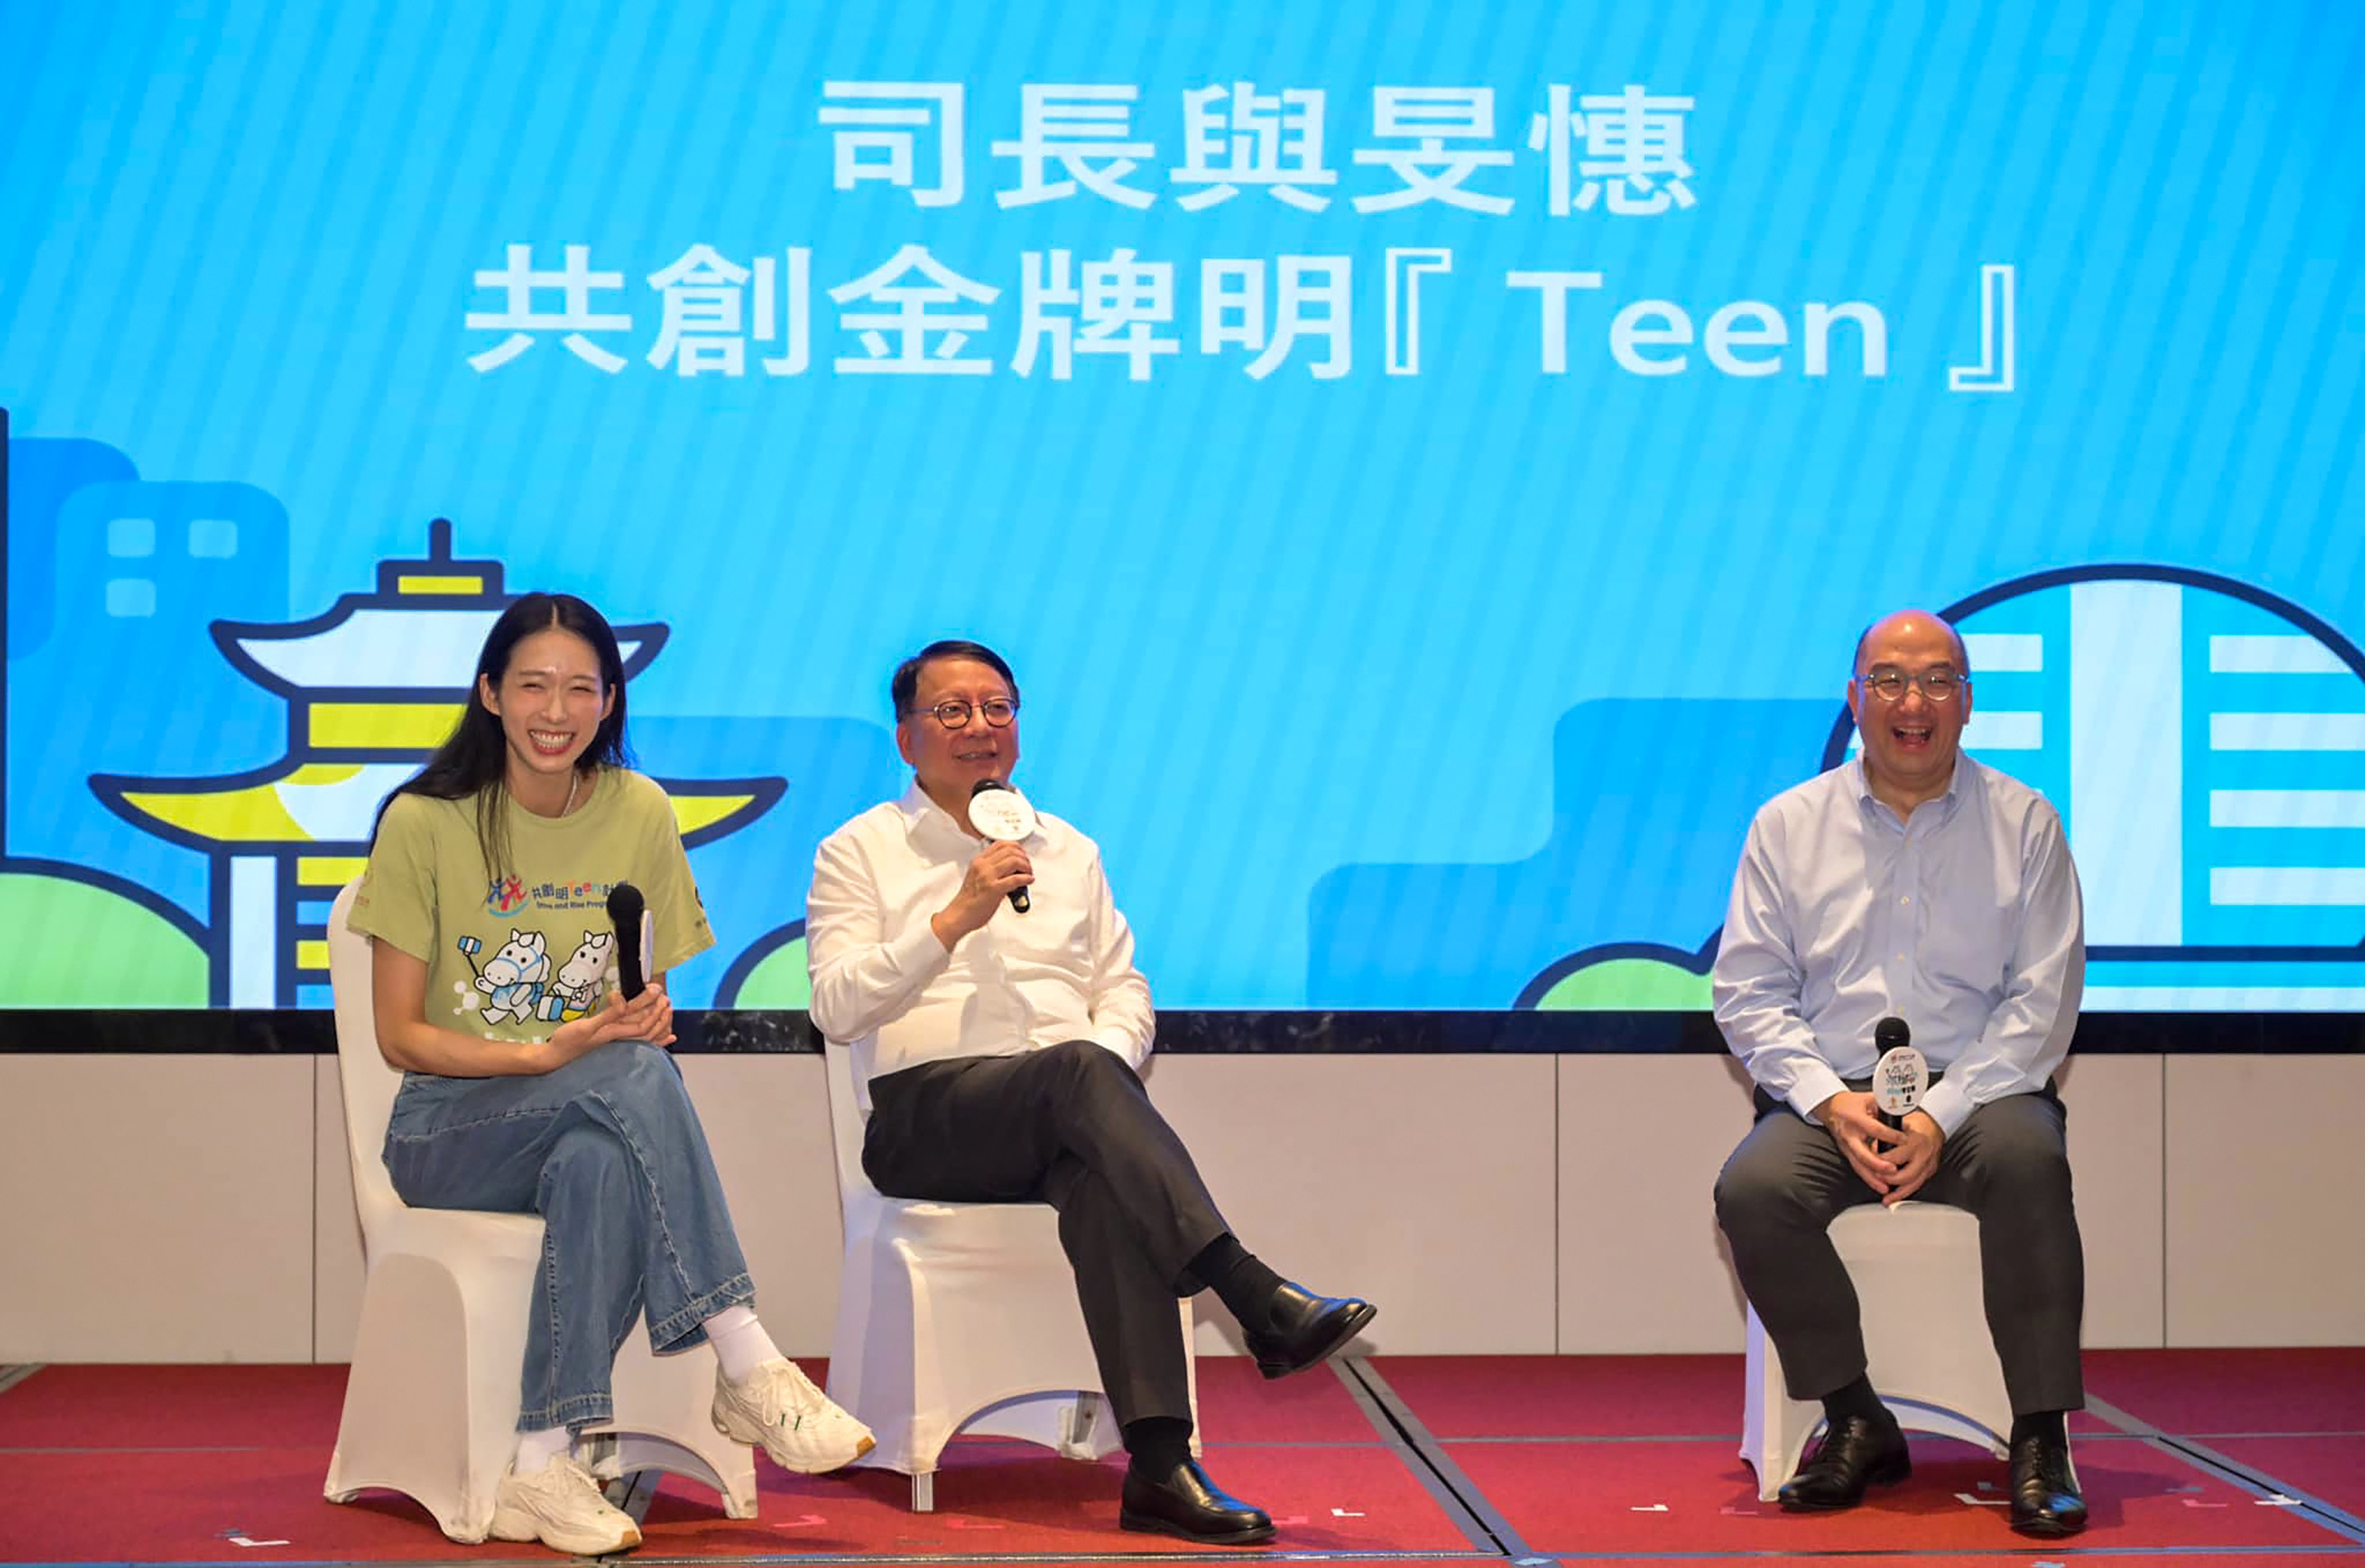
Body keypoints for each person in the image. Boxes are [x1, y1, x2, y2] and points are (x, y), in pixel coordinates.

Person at [805, 639, 1377, 1547]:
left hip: (1067, 1112)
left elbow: (1125, 990)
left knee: (1106, 1171)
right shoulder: (861, 849)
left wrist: (1105, 1061)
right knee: (1079, 1073)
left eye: (998, 708)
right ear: (907, 736)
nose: (980, 728)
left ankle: (1159, 1468)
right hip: (927, 1119)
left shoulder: (1067, 848)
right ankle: (1251, 1291)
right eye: (953, 711)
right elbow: (837, 1008)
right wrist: (955, 915)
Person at [349, 593, 872, 1555]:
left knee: (599, 1157)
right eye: (534, 686)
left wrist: (634, 1020)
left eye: (581, 688)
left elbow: (643, 991)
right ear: (490, 696)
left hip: (583, 1106)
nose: (558, 710)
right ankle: (745, 1354)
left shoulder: (639, 810)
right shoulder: (425, 821)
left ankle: (542, 1459)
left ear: (609, 702)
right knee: (623, 1080)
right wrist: (547, 1053)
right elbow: (400, 1036)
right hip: (446, 1129)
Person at [1711, 608, 2088, 1539]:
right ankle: (1855, 1418)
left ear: (1967, 704)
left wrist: (1940, 1115)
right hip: (1831, 1099)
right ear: (1854, 698)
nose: (1910, 702)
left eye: (1934, 682)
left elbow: (2043, 1002)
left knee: (2030, 1163)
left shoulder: (2027, 823)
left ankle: (2039, 1437)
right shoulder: (1788, 825)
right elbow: (1749, 991)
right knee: (1753, 1190)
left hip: (1984, 1096)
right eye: (1888, 680)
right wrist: (1831, 1104)